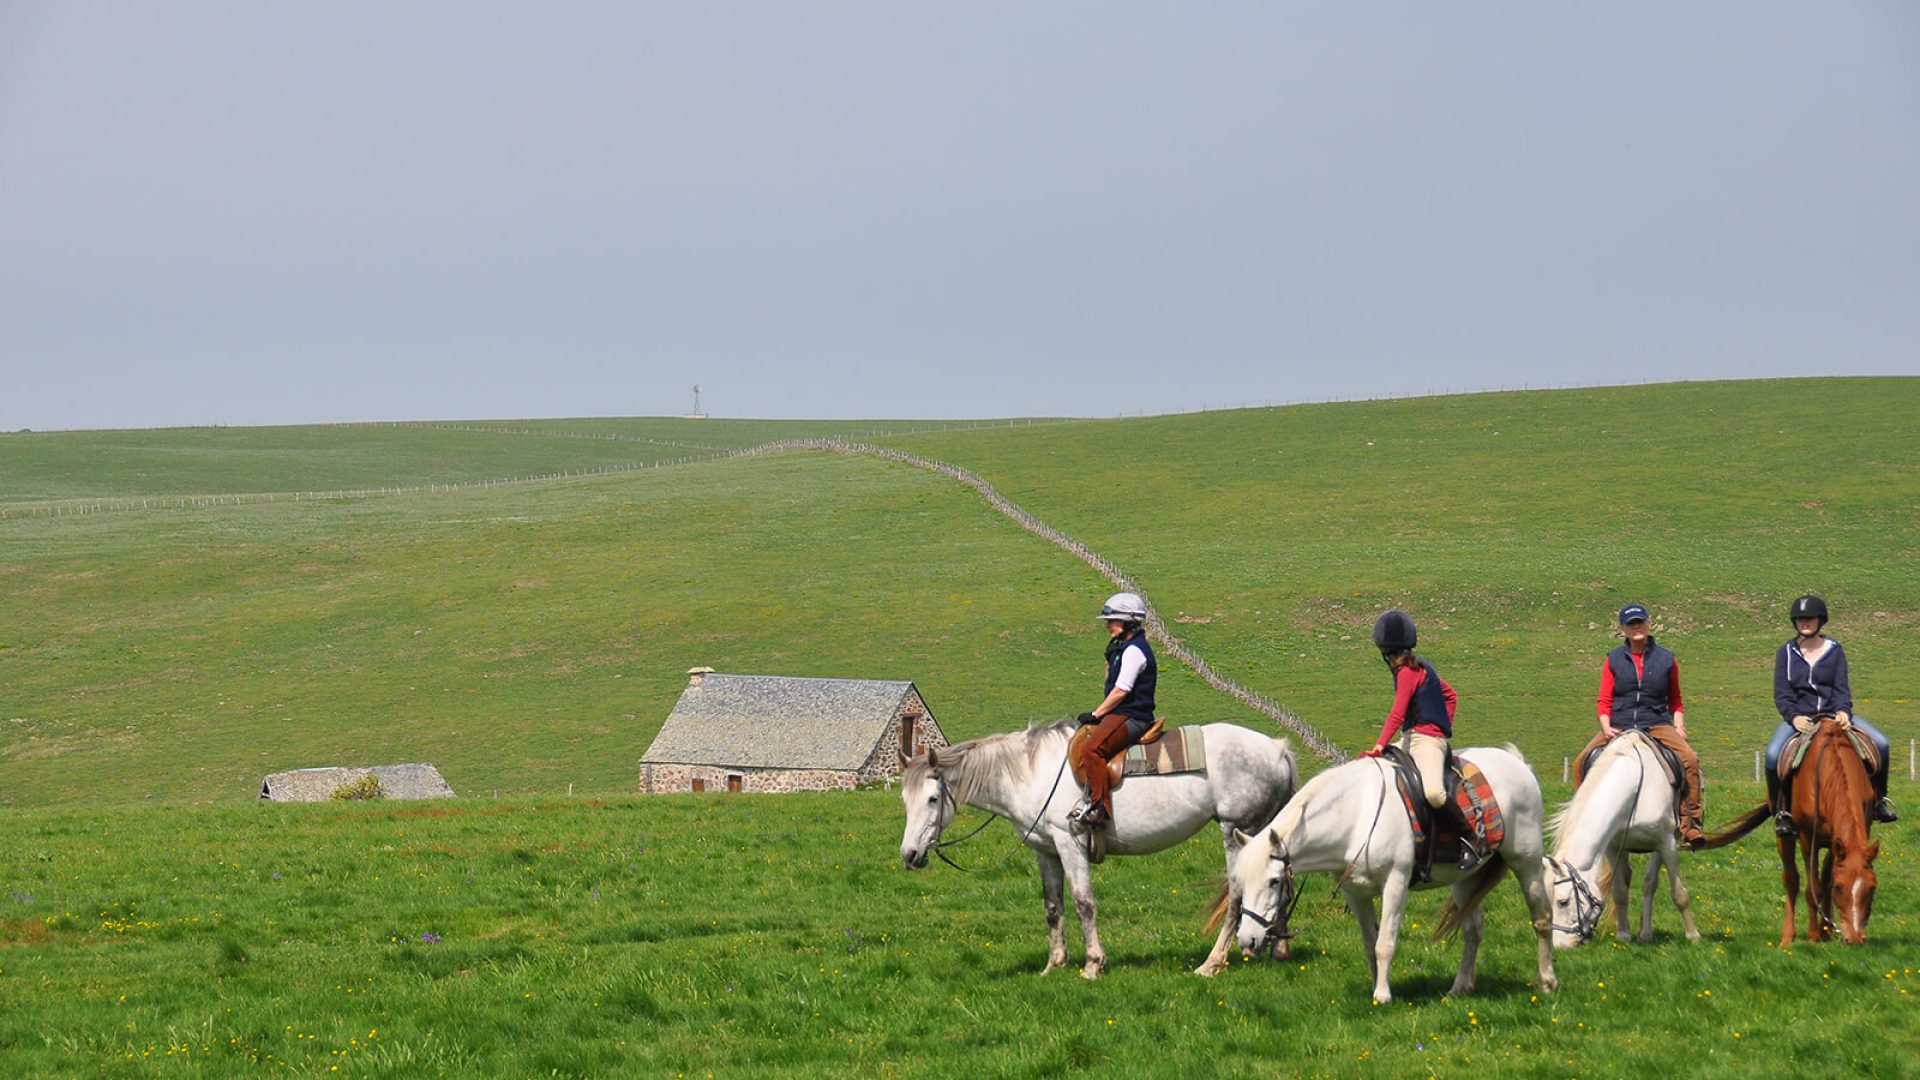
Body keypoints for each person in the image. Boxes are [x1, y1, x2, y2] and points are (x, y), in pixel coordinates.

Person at [1358, 609, 1481, 876]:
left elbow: (1397, 713)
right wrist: (1445, 723)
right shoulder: (1421, 666)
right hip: (1410, 738)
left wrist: (1381, 745)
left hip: (1426, 742)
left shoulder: (1406, 673)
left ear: (1385, 651)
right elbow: (1451, 696)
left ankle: (1470, 840)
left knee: (1434, 793)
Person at [1573, 604, 1705, 849]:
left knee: (1690, 760)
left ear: (1648, 624)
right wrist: (1605, 726)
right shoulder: (1613, 659)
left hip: (1656, 723)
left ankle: (1690, 825)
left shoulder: (1667, 658)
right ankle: (1582, 822)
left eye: (1640, 622)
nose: (1636, 627)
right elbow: (1604, 699)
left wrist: (1678, 725)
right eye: (1631, 624)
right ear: (1623, 629)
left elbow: (1675, 698)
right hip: (1620, 724)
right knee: (1580, 762)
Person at [1767, 594, 1897, 836]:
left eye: (1810, 618)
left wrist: (1843, 712)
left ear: (1820, 621)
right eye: (1800, 619)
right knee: (1772, 756)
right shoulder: (1785, 652)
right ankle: (1781, 813)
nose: (1805, 622)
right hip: (1801, 720)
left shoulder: (1834, 650)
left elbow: (1841, 688)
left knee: (1882, 743)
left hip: (1833, 715)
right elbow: (1782, 693)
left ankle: (1880, 801)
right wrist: (1793, 717)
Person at [1073, 592, 1158, 830]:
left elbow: (1121, 691)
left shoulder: (1134, 651)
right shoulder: (1124, 648)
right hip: (1120, 714)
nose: (1108, 625)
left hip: (1132, 716)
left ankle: (1100, 809)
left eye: (1113, 621)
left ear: (1128, 622)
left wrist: (1096, 714)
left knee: (1092, 749)